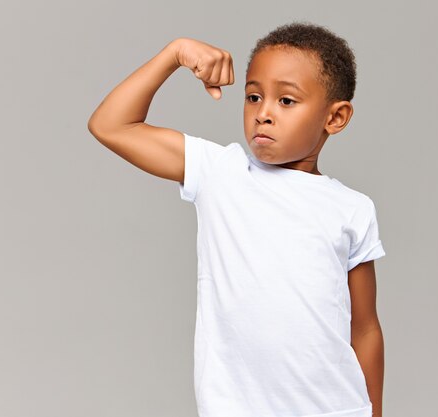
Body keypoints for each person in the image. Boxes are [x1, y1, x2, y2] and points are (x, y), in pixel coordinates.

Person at [88, 21, 387, 417]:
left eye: (286, 101)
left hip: (334, 409)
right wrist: (174, 54)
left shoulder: (352, 208)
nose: (263, 113)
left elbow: (365, 328)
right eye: (253, 96)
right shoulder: (219, 172)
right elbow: (110, 125)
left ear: (335, 117)